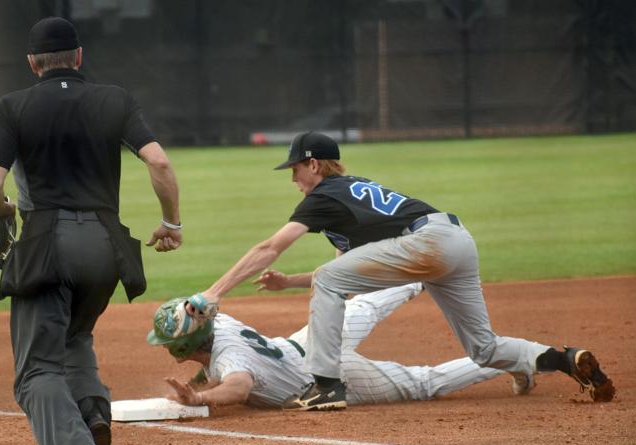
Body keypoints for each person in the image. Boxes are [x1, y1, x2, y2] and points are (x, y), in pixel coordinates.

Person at [186, 131, 615, 411]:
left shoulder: (323, 194)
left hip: (423, 244)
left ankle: (325, 384)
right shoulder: (352, 192)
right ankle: (563, 359)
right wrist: (289, 284)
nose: (293, 178)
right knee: (483, 349)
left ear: (314, 164)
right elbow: (344, 274)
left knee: (331, 281)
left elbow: (271, 246)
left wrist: (215, 291)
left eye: (295, 169)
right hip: (456, 241)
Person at [0, 17, 182, 445]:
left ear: (32, 63)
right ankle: (93, 415)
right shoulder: (116, 99)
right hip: (107, 247)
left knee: (36, 372)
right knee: (75, 337)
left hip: (48, 243)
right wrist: (171, 223)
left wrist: (1, 212)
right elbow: (160, 162)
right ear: (80, 57)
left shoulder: (12, 107)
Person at [150, 283, 503, 409]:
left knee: (423, 383)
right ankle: (426, 274)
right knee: (363, 305)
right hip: (307, 341)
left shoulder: (231, 360)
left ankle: (505, 357)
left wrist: (199, 398)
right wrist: (196, 386)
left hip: (324, 379)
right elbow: (215, 366)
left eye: (169, 342)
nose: (166, 347)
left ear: (185, 346)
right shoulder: (219, 326)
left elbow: (238, 387)